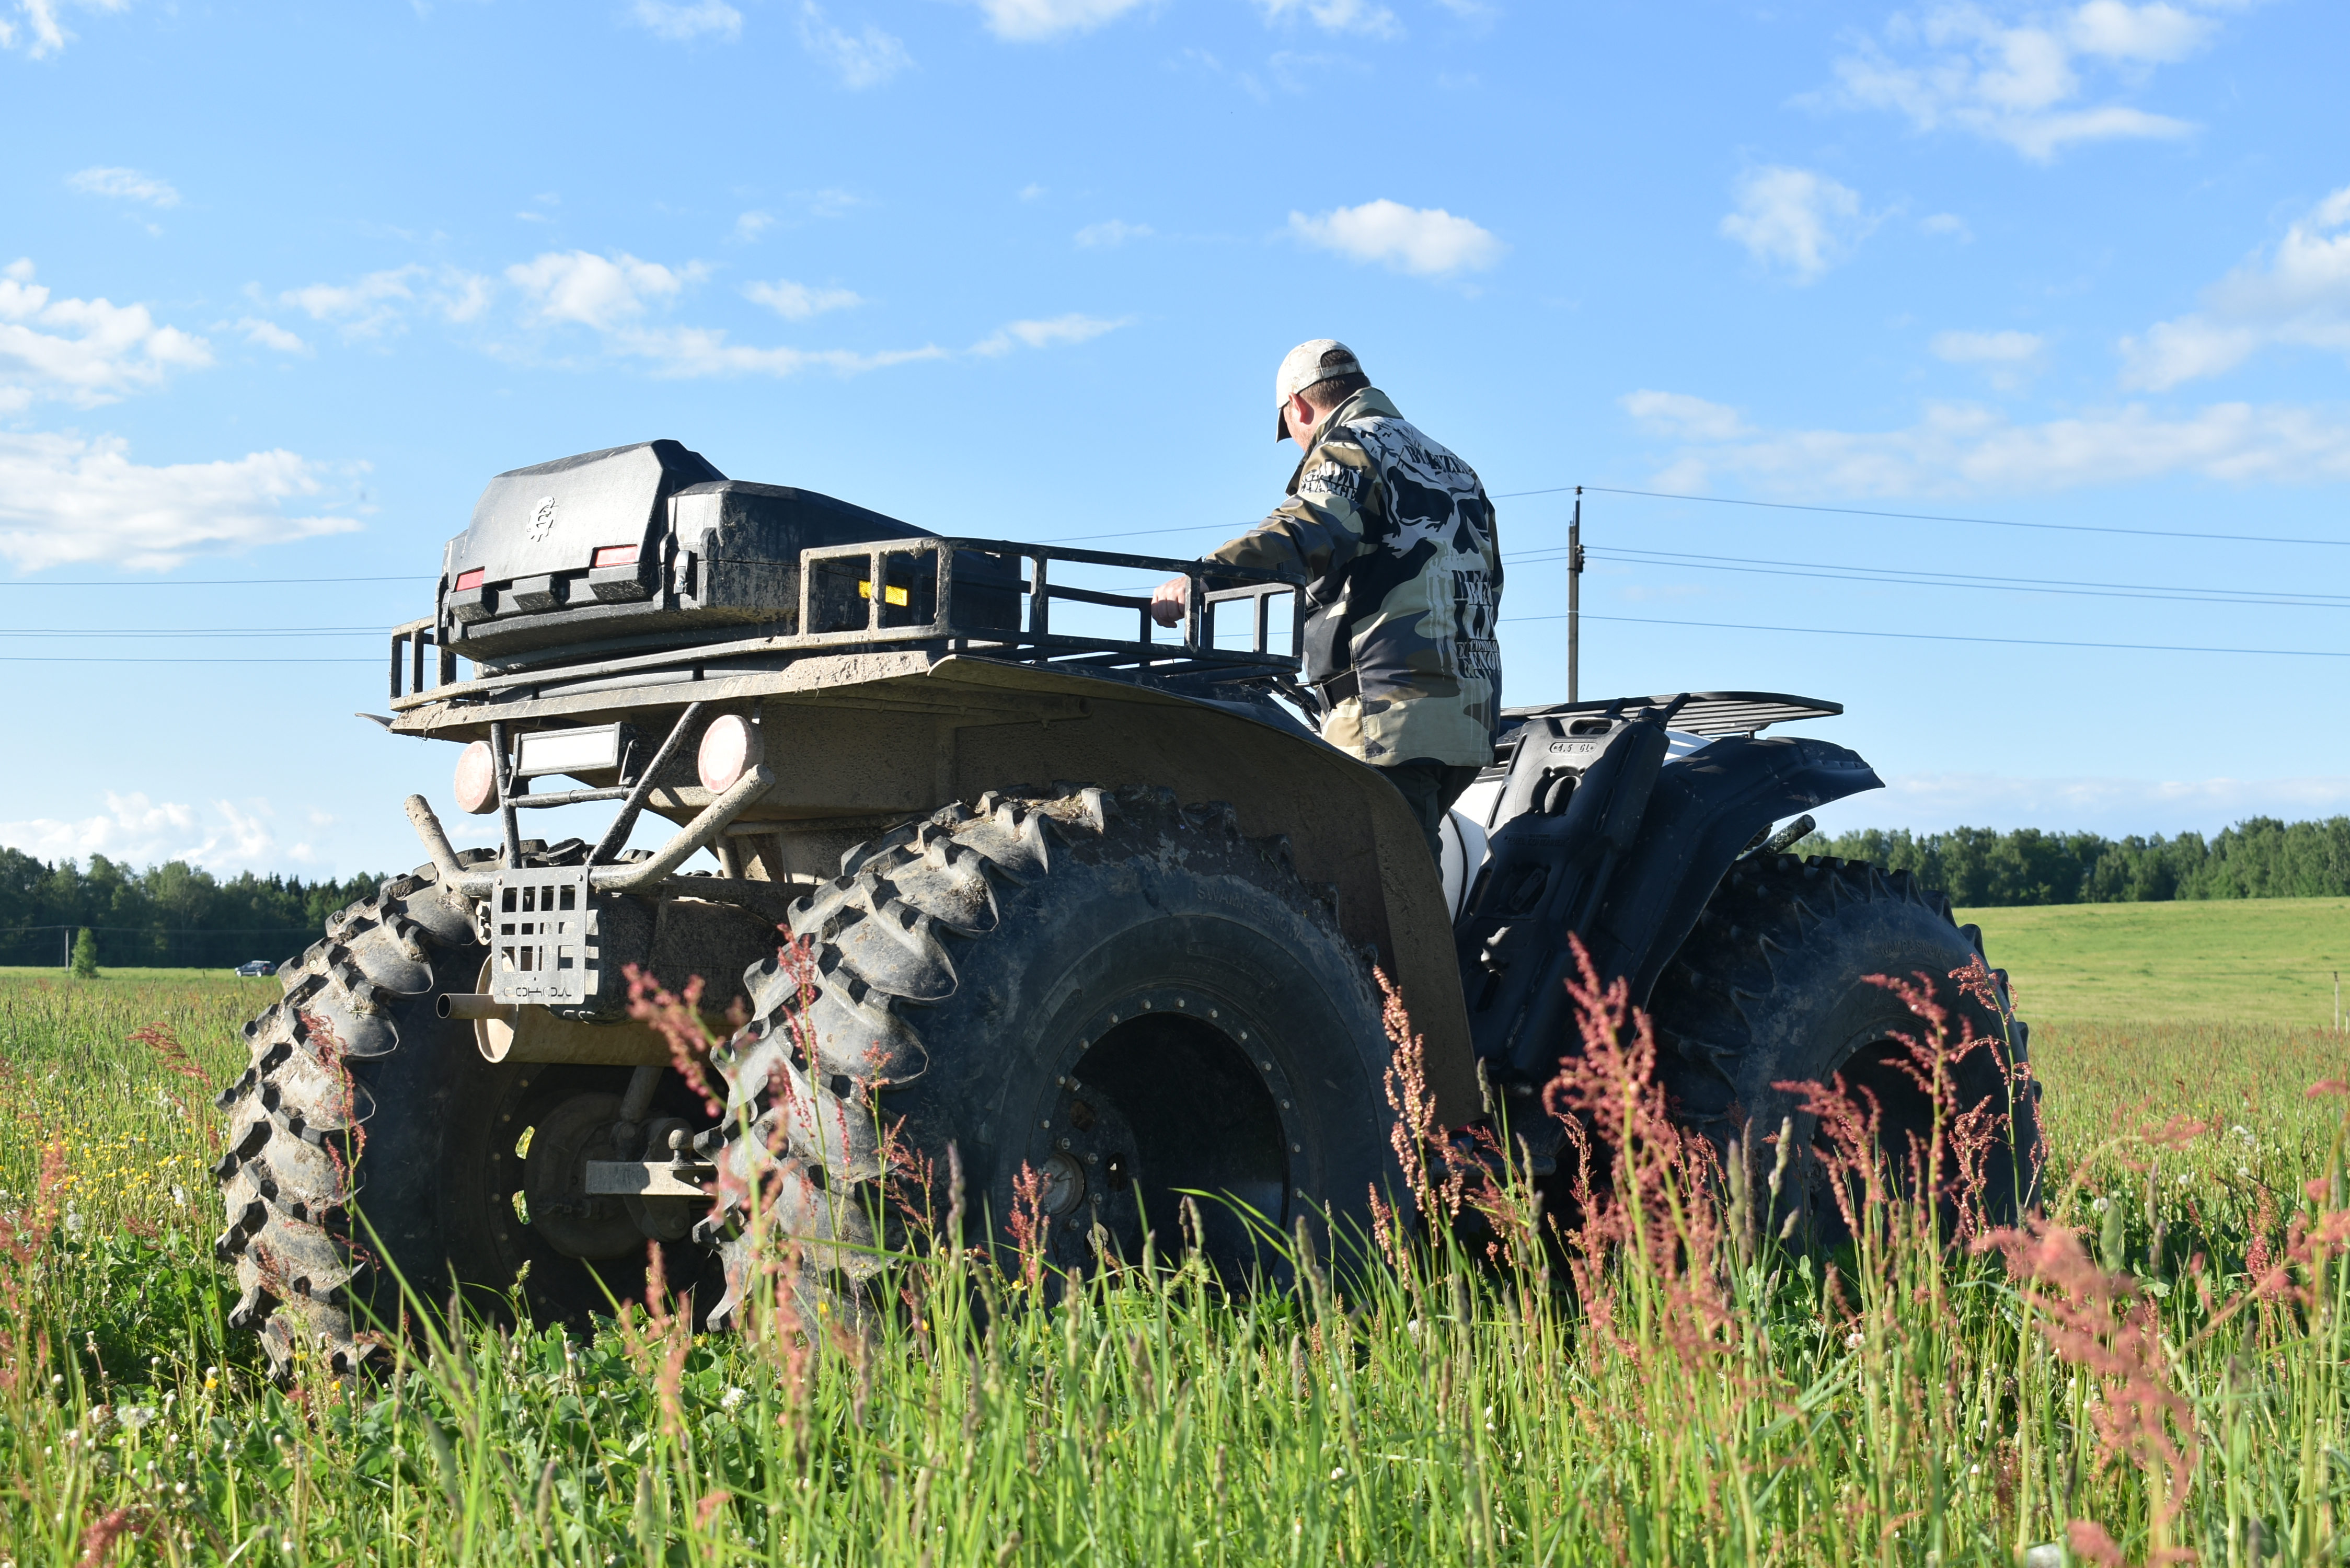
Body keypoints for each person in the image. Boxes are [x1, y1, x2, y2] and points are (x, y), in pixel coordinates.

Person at [1151, 340, 1503, 862]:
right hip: (1467, 718)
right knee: (1411, 884)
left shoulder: (1349, 447)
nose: (1297, 443)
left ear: (1298, 406)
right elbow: (1491, 582)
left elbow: (1302, 530)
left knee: (1377, 899)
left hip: (1387, 715)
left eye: (1290, 431)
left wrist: (1204, 577)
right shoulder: (1455, 469)